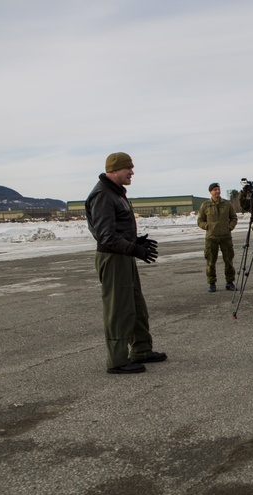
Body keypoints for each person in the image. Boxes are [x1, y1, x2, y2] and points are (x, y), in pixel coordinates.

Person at [85, 152, 168, 374]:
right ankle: (117, 360)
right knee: (118, 309)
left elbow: (117, 230)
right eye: (127, 169)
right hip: (113, 258)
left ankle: (141, 350)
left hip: (123, 256)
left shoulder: (116, 193)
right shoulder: (103, 195)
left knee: (136, 305)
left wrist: (135, 241)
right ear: (114, 170)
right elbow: (106, 236)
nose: (132, 172)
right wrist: (133, 248)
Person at [196, 182, 238, 292]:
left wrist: (230, 227)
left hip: (226, 237)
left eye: (218, 189)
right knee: (210, 261)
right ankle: (212, 283)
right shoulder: (205, 205)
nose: (217, 191)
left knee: (228, 260)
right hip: (211, 238)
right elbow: (200, 220)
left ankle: (230, 282)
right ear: (210, 192)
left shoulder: (227, 204)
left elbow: (234, 218)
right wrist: (207, 226)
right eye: (215, 189)